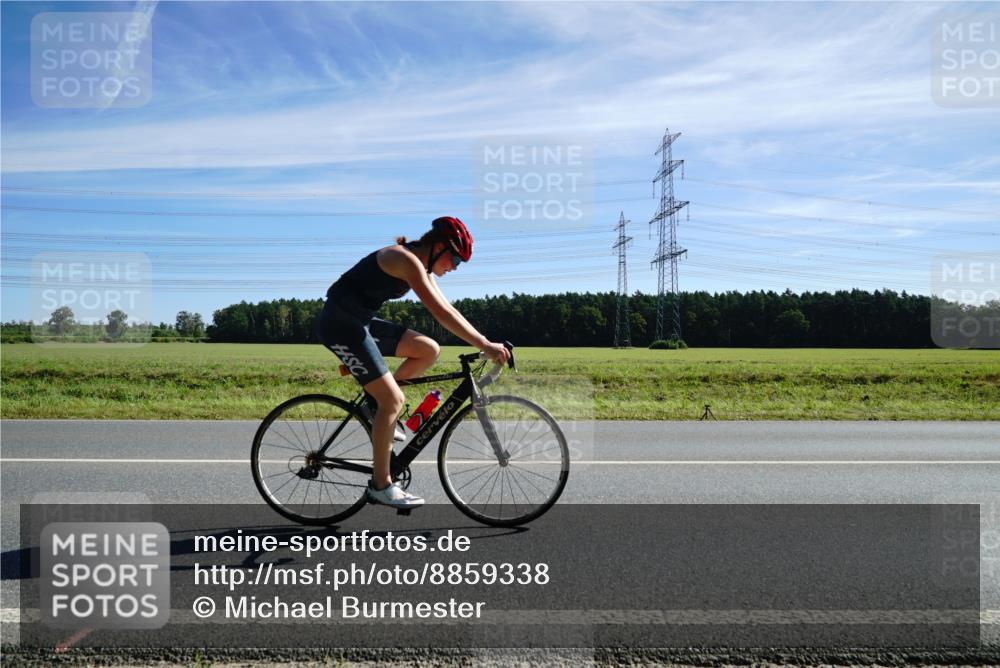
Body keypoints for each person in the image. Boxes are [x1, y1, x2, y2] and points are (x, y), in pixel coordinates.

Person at [316, 216, 510, 510]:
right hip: (340, 324)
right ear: (439, 247)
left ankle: (374, 406)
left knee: (428, 349)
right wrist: (484, 344)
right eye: (456, 259)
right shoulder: (403, 259)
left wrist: (484, 341)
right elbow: (439, 314)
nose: (455, 267)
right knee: (393, 401)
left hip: (361, 321)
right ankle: (381, 485)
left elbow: (448, 308)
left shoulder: (421, 267)